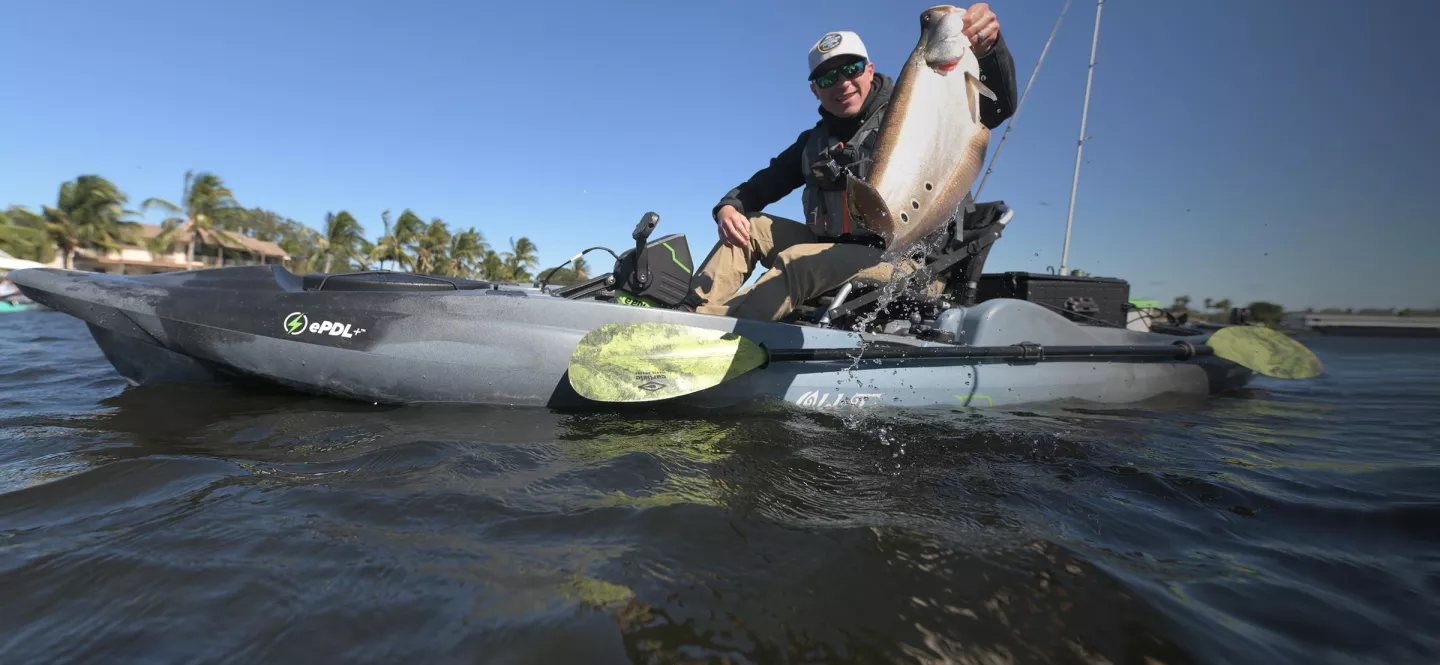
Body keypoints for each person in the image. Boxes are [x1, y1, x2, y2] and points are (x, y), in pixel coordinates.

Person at [686, 3, 1018, 322]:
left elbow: (995, 108)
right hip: (832, 251)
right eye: (828, 78)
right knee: (752, 228)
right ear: (815, 90)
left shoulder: (918, 100)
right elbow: (761, 185)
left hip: (905, 259)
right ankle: (690, 316)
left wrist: (989, 50)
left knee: (797, 262)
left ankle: (721, 337)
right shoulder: (812, 142)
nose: (842, 83)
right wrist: (729, 208)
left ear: (869, 70)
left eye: (851, 69)